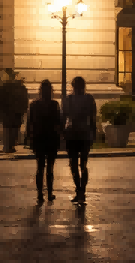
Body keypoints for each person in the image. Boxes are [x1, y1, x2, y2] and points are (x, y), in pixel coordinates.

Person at [24, 79, 62, 203]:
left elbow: (29, 121)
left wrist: (28, 136)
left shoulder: (34, 104)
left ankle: (40, 194)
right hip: (51, 138)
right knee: (50, 168)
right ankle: (49, 193)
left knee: (40, 167)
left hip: (39, 138)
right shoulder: (54, 104)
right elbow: (58, 122)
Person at [61, 75, 97, 205]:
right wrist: (94, 133)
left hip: (72, 133)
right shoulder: (89, 99)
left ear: (73, 86)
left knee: (74, 164)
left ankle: (79, 190)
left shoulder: (68, 99)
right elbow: (93, 118)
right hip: (85, 133)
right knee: (83, 164)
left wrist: (62, 133)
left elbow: (63, 117)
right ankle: (82, 191)